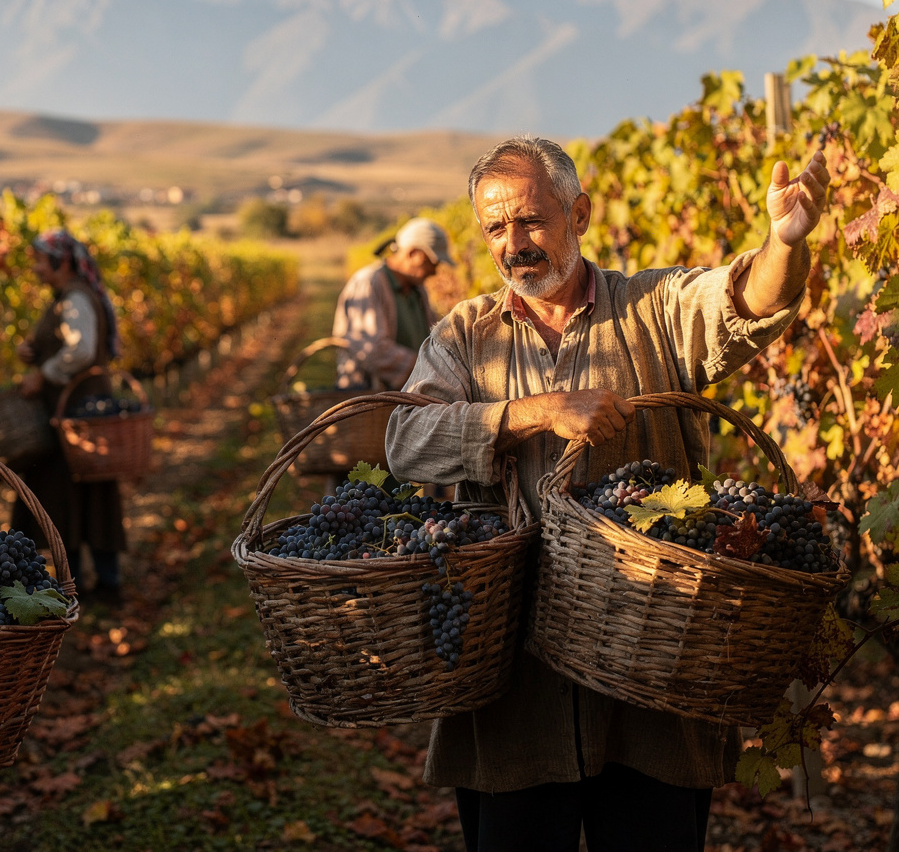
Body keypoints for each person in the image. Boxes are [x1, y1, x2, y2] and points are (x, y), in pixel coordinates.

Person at [384, 136, 828, 852]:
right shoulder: (465, 334)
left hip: (652, 675)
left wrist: (785, 243)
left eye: (530, 220)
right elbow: (406, 442)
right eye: (496, 228)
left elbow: (746, 303)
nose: (514, 243)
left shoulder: (653, 307)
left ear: (579, 212)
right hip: (513, 681)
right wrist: (530, 412)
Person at [12, 228, 126, 606]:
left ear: (61, 262)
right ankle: (88, 582)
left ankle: (91, 585)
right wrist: (36, 352)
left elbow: (81, 351)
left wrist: (42, 373)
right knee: (83, 496)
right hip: (77, 412)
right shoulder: (68, 297)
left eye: (41, 261)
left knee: (71, 495)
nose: (36, 269)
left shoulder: (75, 298)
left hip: (78, 414)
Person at [332, 217, 452, 391]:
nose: (434, 271)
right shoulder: (368, 283)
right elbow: (372, 350)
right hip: (368, 398)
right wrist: (427, 367)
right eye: (431, 263)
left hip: (404, 394)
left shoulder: (418, 290)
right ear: (413, 253)